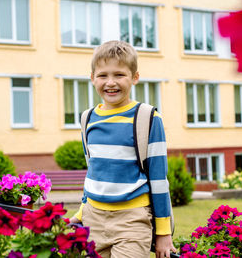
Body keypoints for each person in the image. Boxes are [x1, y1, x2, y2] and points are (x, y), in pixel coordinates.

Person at [69, 40, 176, 258]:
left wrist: (163, 233)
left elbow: (158, 179)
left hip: (132, 221)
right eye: (102, 75)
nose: (110, 82)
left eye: (119, 75)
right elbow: (94, 172)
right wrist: (81, 212)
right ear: (92, 79)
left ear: (135, 77)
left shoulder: (147, 118)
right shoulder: (87, 118)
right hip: (93, 219)